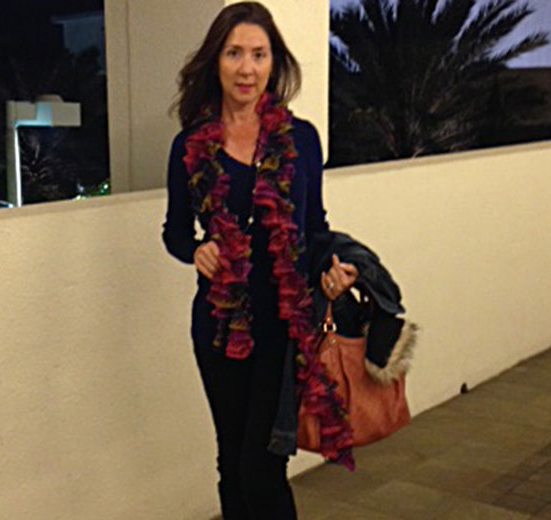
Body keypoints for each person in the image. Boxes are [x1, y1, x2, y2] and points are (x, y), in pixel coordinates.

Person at [162, 3, 358, 518]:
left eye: (258, 54)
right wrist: (195, 250)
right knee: (231, 462)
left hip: (283, 326)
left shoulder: (301, 140)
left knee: (262, 467)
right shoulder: (189, 146)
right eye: (234, 53)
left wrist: (331, 269)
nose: (246, 68)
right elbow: (174, 232)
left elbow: (314, 228)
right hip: (218, 326)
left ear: (274, 63)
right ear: (216, 62)